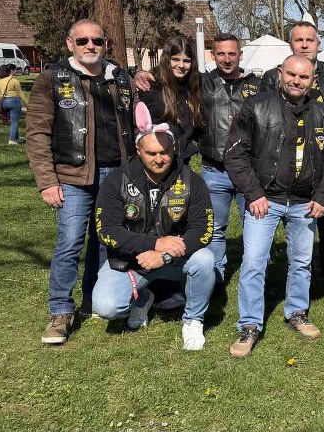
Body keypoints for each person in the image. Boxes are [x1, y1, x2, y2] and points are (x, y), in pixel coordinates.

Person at [223, 55, 324, 356]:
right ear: (280, 73)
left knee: (301, 262)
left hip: (305, 202)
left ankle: (296, 313)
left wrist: (323, 196)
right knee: (254, 262)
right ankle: (249, 325)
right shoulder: (256, 106)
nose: (296, 81)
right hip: (265, 200)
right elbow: (235, 154)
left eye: (303, 77)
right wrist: (254, 193)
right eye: (291, 74)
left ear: (313, 80)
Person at [27, 19, 136, 344]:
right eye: (83, 40)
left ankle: (94, 299)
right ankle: (61, 311)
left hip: (115, 174)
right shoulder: (52, 78)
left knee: (105, 240)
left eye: (97, 41)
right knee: (70, 242)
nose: (91, 46)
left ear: (105, 44)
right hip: (72, 176)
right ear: (70, 44)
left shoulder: (119, 77)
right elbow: (37, 133)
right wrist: (47, 180)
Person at [92, 103, 215, 350]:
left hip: (175, 259)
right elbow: (106, 231)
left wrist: (165, 255)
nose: (159, 159)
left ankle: (193, 320)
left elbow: (203, 230)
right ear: (138, 151)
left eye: (165, 152)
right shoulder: (117, 180)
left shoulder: (192, 181)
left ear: (174, 149)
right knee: (106, 307)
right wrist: (155, 244)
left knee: (205, 260)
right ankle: (143, 297)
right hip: (130, 261)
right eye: (151, 153)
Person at [260, 21, 324, 299]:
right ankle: (275, 281)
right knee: (285, 232)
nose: (303, 44)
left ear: (318, 44)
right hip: (285, 169)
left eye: (309, 40)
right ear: (290, 44)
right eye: (298, 40)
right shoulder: (272, 76)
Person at [196, 34, 261, 283]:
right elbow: (170, 79)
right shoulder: (202, 83)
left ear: (240, 55)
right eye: (221, 54)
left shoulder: (257, 85)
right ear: (213, 55)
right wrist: (142, 74)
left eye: (232, 53)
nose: (226, 59)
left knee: (254, 228)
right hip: (214, 170)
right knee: (214, 228)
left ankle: (254, 277)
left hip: (249, 172)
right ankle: (216, 278)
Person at [137, 37, 203, 163]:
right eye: (176, 59)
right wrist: (138, 73)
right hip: (158, 161)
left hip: (183, 161)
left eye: (186, 61)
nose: (181, 65)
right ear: (167, 59)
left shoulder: (195, 84)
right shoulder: (152, 86)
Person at [0, 64, 28, 145]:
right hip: (14, 102)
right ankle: (12, 140)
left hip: (3, 102)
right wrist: (28, 104)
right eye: (15, 70)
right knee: (15, 121)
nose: (16, 71)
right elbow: (20, 94)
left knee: (13, 120)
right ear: (11, 71)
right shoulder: (14, 81)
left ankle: (16, 137)